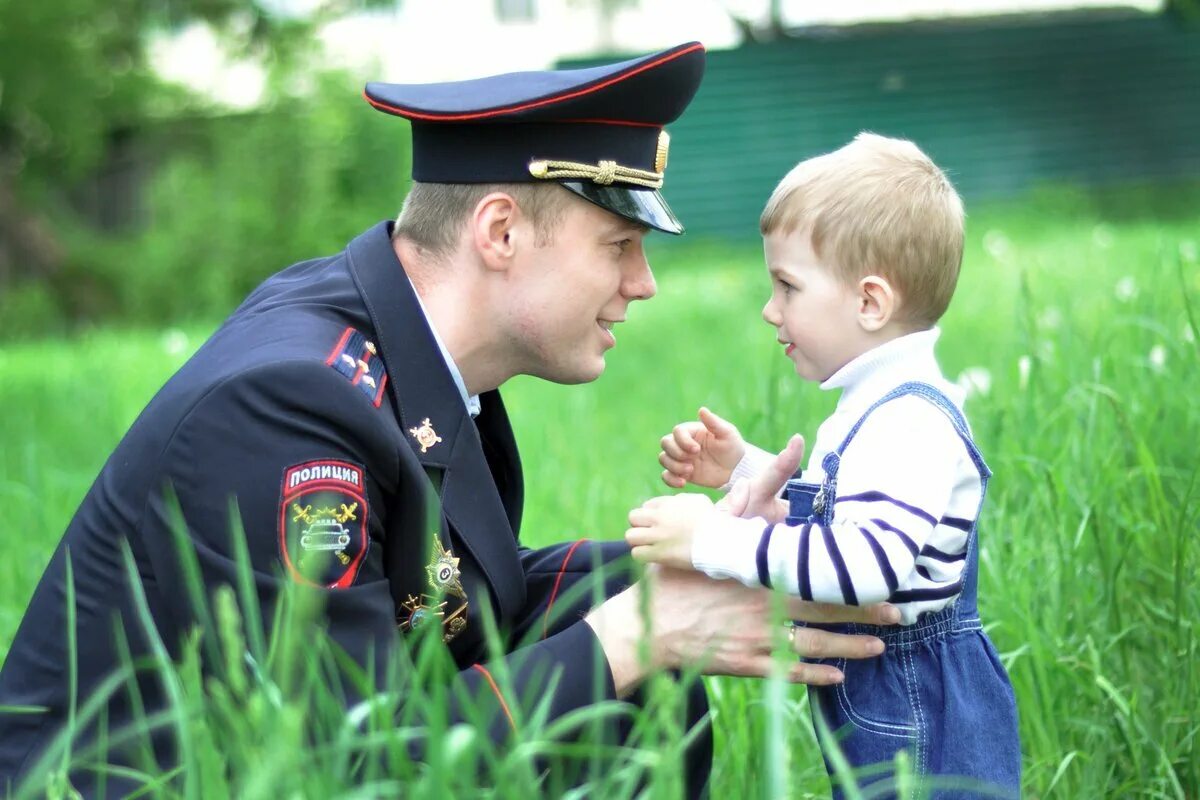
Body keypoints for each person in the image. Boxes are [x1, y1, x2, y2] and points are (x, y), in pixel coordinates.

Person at [0, 46, 900, 797]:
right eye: (618, 245)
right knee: (628, 644)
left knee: (622, 639)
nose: (643, 282)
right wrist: (652, 626)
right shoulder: (285, 411)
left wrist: (708, 560)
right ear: (500, 233)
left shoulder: (399, 340)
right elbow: (344, 767)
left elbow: (450, 608)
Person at [626, 133, 1022, 797]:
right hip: (899, 696)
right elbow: (853, 511)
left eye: (787, 286)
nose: (769, 309)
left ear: (870, 303)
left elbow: (866, 566)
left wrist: (711, 541)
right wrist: (743, 469)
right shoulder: (879, 405)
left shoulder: (907, 422)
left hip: (921, 706)